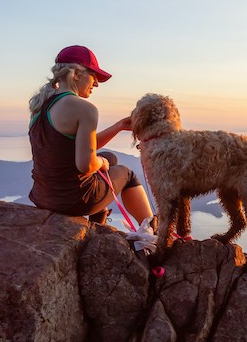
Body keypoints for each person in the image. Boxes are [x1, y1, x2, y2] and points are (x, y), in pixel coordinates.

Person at [28, 45, 153, 225]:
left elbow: (69, 146)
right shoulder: (84, 109)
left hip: (42, 196)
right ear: (77, 74)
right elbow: (85, 165)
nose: (95, 83)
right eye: (94, 76)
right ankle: (151, 231)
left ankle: (98, 222)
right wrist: (101, 163)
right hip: (73, 201)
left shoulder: (41, 105)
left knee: (110, 156)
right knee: (126, 174)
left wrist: (117, 127)